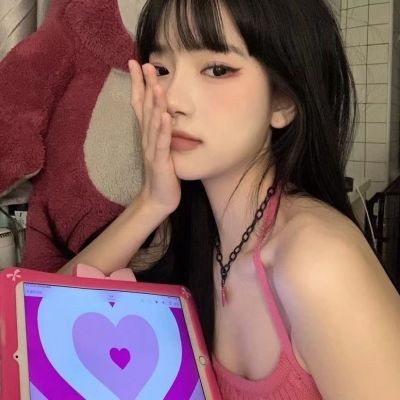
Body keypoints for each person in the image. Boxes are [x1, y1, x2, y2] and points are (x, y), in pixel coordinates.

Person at [58, 0, 400, 398]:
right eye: (161, 70)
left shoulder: (318, 262)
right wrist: (151, 202)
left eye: (217, 70)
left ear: (282, 101)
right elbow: (33, 327)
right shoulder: (195, 240)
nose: (172, 101)